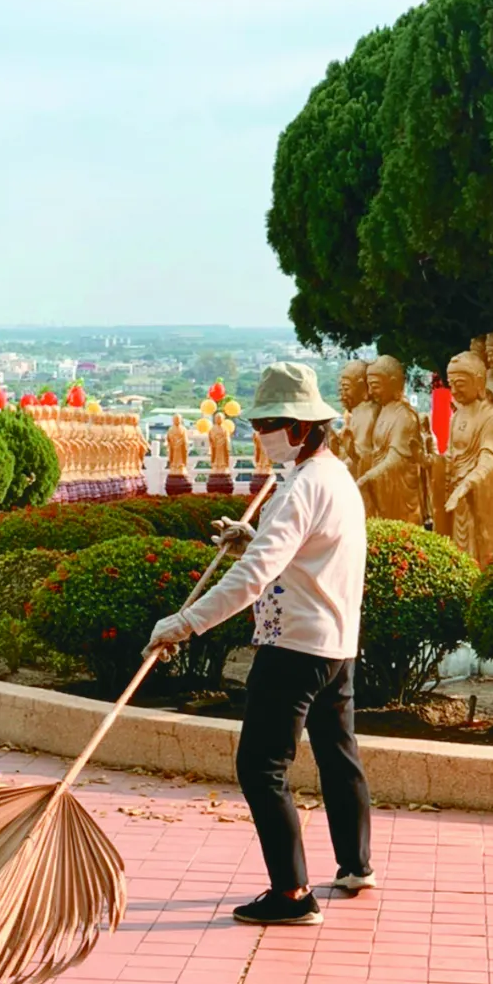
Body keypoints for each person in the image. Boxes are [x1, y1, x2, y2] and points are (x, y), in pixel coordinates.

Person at [147, 361, 373, 927]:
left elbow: (253, 577)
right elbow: (302, 550)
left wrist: (184, 622)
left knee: (261, 766)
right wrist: (251, 534)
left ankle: (292, 895)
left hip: (294, 647)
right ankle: (355, 865)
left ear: (301, 428)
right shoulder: (331, 477)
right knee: (337, 755)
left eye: (270, 423)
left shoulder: (302, 486)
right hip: (336, 644)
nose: (260, 435)